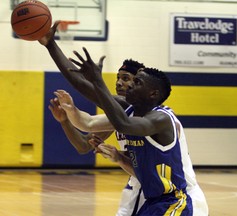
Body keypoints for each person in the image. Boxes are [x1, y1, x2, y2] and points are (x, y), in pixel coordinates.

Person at [54, 47, 208, 215]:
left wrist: (97, 80)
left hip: (177, 194)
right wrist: (68, 116)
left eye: (130, 80)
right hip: (149, 190)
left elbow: (118, 120)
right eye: (118, 78)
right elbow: (87, 124)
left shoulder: (157, 118)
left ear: (151, 92)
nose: (121, 84)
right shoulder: (129, 114)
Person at [39, 22, 146, 215]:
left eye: (126, 78)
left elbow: (81, 84)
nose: (120, 83)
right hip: (138, 185)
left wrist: (51, 45)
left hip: (164, 188)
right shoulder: (121, 115)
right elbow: (83, 145)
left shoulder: (134, 107)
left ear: (140, 84)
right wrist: (65, 120)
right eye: (118, 78)